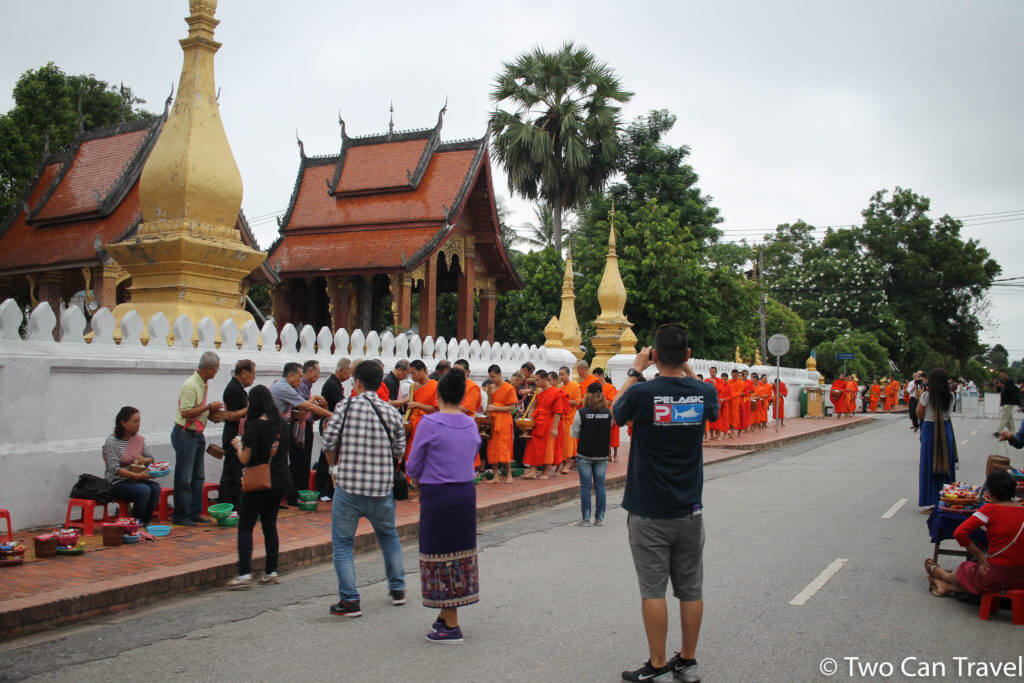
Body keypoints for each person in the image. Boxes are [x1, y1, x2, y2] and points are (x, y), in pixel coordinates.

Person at [613, 324, 718, 683]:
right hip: (690, 509)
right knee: (691, 589)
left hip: (648, 510)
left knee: (652, 590)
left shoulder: (643, 393)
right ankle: (687, 661)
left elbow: (615, 411)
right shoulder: (703, 392)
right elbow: (713, 407)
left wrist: (636, 369)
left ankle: (657, 664)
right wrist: (688, 371)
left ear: (655, 355)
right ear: (688, 356)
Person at [321, 360, 407, 617]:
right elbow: (399, 450)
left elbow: (328, 443)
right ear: (380, 383)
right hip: (381, 488)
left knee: (343, 544)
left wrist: (334, 469)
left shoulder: (345, 407)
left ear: (357, 382)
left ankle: (349, 601)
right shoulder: (390, 411)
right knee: (389, 536)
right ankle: (397, 588)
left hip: (348, 487)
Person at [406, 371, 482, 643]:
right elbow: (473, 454)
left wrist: (415, 480)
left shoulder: (429, 422)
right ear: (462, 395)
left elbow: (413, 463)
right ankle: (444, 617)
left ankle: (451, 625)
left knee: (439, 554)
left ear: (437, 395)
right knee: (459, 554)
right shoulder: (470, 424)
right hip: (464, 493)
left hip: (438, 495)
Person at [226, 385, 291, 589]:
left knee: (245, 526)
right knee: (269, 526)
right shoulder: (282, 424)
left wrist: (238, 445)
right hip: (280, 480)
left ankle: (244, 574)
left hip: (259, 482)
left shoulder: (254, 426)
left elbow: (246, 458)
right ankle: (271, 571)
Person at [925, 469, 1024, 596]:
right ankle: (945, 586)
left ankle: (944, 577)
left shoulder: (989, 509)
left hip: (994, 578)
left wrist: (980, 556)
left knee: (966, 570)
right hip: (1021, 579)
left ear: (990, 493)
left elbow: (959, 533)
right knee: (986, 576)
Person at [171, 351, 224, 526]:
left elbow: (196, 409)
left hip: (197, 433)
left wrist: (209, 413)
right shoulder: (191, 385)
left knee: (198, 476)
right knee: (184, 477)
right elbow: (185, 412)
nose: (216, 372)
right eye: (215, 369)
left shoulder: (202, 384)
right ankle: (181, 515)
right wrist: (208, 407)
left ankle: (194, 512)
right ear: (208, 369)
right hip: (186, 433)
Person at [103, 406, 161, 525]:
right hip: (116, 483)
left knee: (155, 488)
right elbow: (114, 469)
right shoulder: (111, 441)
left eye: (139, 421)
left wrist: (145, 460)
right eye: (134, 422)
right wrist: (136, 476)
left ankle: (145, 522)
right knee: (144, 490)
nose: (138, 425)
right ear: (123, 423)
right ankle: (136, 523)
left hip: (135, 480)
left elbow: (151, 459)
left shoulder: (138, 440)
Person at [571, 383, 612, 526]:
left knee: (586, 487)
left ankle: (586, 519)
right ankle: (599, 518)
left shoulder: (581, 413)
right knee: (600, 486)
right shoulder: (608, 413)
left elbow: (575, 433)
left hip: (585, 454)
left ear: (587, 395)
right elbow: (610, 429)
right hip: (602, 455)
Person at [917, 368, 957, 511]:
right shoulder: (950, 395)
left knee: (930, 465)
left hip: (930, 429)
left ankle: (933, 500)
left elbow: (920, 415)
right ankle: (947, 500)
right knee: (946, 463)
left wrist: (921, 395)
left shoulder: (927, 396)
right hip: (945, 429)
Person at [220, 359, 255, 508]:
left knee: (237, 472)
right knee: (231, 472)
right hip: (233, 434)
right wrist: (249, 408)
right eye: (252, 374)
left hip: (239, 434)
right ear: (244, 372)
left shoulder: (239, 388)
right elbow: (231, 415)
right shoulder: (233, 389)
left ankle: (235, 502)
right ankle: (227, 504)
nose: (253, 378)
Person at [316, 358, 352, 501]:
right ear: (341, 370)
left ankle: (330, 488)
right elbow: (342, 404)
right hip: (329, 424)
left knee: (333, 459)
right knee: (325, 458)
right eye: (348, 372)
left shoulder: (336, 383)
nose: (349, 376)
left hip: (336, 424)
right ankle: (322, 490)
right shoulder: (331, 384)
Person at [522, 370, 567, 479]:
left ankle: (547, 471)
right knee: (532, 445)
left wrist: (555, 428)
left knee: (548, 447)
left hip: (549, 423)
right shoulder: (539, 392)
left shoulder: (556, 392)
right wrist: (530, 416)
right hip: (538, 422)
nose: (536, 382)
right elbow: (534, 406)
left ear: (544, 379)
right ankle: (533, 471)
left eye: (537, 380)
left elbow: (558, 412)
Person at [484, 365, 517, 484]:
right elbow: (489, 405)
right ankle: (496, 475)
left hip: (504, 421)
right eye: (490, 377)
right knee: (492, 448)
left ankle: (508, 474)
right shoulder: (490, 388)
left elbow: (512, 407)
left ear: (499, 374)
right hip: (493, 420)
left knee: (504, 447)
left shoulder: (509, 388)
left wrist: (496, 408)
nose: (492, 379)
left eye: (493, 376)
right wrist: (487, 418)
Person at [405, 360, 439, 458]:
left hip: (428, 425)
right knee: (411, 453)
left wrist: (418, 405)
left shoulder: (435, 386)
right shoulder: (413, 387)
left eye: (413, 373)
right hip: (413, 425)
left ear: (422, 371)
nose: (411, 376)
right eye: (410, 373)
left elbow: (436, 409)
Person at [557, 366, 582, 474]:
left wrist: (564, 400)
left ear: (568, 374)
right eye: (560, 374)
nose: (561, 376)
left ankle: (567, 463)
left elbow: (577, 402)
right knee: (561, 441)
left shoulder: (575, 387)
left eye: (562, 374)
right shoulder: (560, 388)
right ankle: (562, 463)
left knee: (568, 441)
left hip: (570, 417)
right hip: (561, 417)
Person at [996, 369, 1021, 433]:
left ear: (1006, 374)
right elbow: (998, 391)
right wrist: (996, 386)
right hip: (1005, 402)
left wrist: (1002, 386)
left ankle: (999, 431)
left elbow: (1010, 390)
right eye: (1000, 374)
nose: (1001, 376)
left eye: (1003, 374)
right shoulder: (1001, 381)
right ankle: (1013, 432)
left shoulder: (1010, 381)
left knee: (1004, 417)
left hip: (1010, 402)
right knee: (1009, 419)